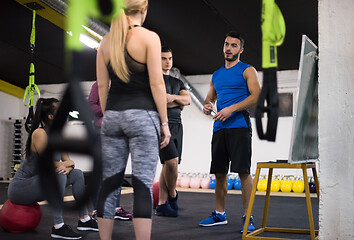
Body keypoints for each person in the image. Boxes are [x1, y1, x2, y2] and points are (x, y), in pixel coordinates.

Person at [95, 0, 171, 239]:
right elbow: (157, 83)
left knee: (109, 185)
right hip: (142, 116)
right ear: (144, 9)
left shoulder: (105, 42)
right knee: (141, 185)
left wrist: (110, 117)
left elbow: (102, 87)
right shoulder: (149, 38)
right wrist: (165, 124)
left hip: (112, 117)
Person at [7, 98, 98, 240]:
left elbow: (69, 162)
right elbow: (49, 164)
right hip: (20, 188)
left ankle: (85, 219)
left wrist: (68, 165)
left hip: (41, 183)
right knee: (59, 175)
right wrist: (66, 164)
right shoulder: (39, 133)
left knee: (77, 174)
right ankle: (58, 226)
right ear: (51, 116)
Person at [199, 31, 261, 233]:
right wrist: (207, 106)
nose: (229, 48)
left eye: (234, 45)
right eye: (226, 44)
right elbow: (208, 100)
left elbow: (256, 97)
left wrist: (232, 108)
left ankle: (248, 215)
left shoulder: (247, 70)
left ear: (241, 50)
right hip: (219, 128)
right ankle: (220, 214)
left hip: (240, 127)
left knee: (243, 172)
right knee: (219, 173)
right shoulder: (216, 75)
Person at [88, 81, 132, 221]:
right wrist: (108, 108)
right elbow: (90, 107)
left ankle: (115, 208)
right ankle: (96, 210)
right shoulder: (98, 85)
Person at [156, 47, 191, 217]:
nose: (167, 61)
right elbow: (158, 102)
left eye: (169, 58)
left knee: (168, 164)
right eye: (163, 58)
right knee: (172, 162)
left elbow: (188, 100)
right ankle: (173, 195)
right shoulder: (153, 80)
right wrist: (177, 101)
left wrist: (173, 98)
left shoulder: (178, 83)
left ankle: (162, 204)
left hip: (178, 125)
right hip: (162, 124)